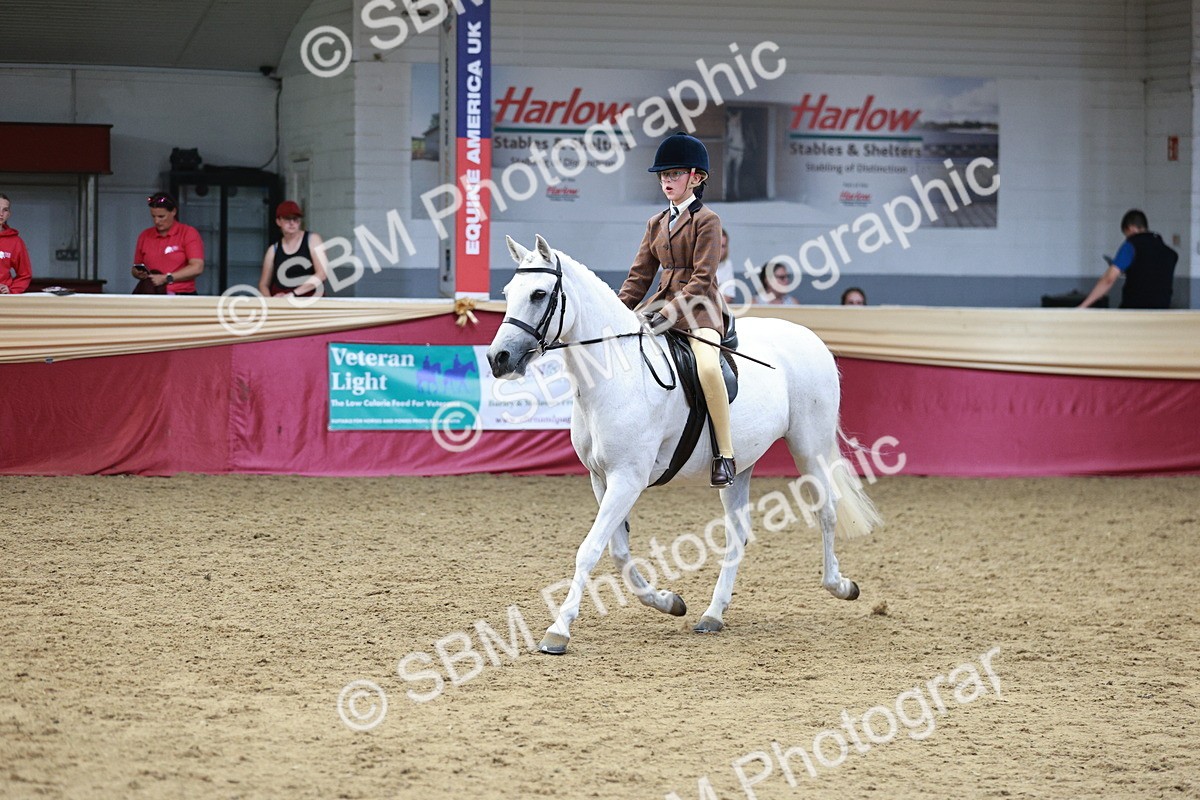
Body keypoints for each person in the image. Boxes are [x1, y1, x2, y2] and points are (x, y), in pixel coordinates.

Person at [618, 131, 735, 488]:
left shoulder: (707, 220)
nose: (667, 181)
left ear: (696, 178)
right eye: (663, 176)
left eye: (674, 175)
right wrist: (618, 313)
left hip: (700, 308)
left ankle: (724, 454)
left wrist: (669, 315)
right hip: (660, 302)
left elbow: (702, 278)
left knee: (707, 368)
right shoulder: (655, 223)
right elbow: (639, 278)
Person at [1079, 209, 1178, 309]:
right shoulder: (1169, 253)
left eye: (1126, 234)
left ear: (1131, 228)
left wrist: (1082, 307)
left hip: (1134, 313)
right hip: (1161, 314)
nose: (1126, 238)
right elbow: (1150, 274)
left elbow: (1109, 279)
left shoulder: (1131, 246)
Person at [131, 192, 204, 294]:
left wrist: (166, 278)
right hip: (151, 293)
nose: (157, 221)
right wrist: (138, 273)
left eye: (161, 216)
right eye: (153, 216)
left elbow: (197, 267)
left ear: (173, 211)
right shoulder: (145, 235)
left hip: (180, 294)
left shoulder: (188, 233)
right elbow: (136, 266)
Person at [258, 200, 328, 298]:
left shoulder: (313, 240)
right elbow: (263, 284)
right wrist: (271, 301)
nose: (292, 223)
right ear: (278, 221)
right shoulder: (273, 250)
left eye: (296, 219)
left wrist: (293, 294)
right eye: (287, 219)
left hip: (310, 302)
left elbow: (322, 274)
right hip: (283, 304)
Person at [0, 194, 33, 295]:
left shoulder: (15, 242)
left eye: (5, 210)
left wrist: (12, 290)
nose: (1, 213)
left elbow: (25, 274)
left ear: (9, 214)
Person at [713, 228, 737, 303]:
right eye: (716, 245)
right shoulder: (695, 262)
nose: (719, 250)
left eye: (722, 246)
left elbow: (728, 297)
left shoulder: (727, 265)